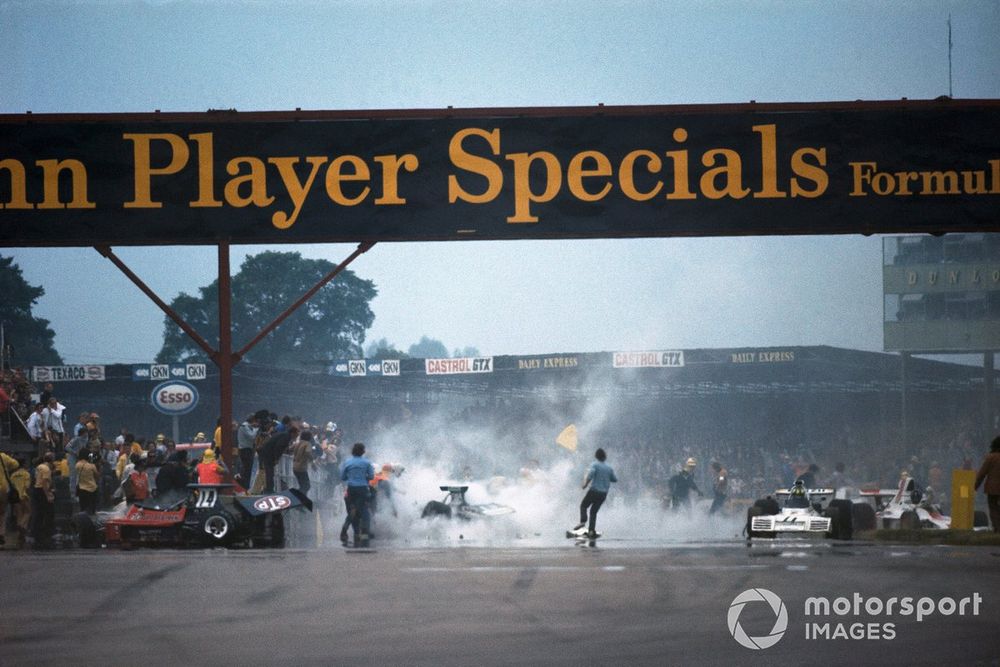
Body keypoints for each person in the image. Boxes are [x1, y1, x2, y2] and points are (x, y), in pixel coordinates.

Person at [574, 448, 617, 538]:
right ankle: (591, 531)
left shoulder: (595, 465)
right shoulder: (609, 468)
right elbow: (614, 479)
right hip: (603, 494)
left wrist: (585, 484)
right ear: (605, 457)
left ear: (596, 456)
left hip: (594, 491)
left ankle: (583, 521)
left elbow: (591, 474)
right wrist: (606, 477)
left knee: (584, 505)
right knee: (593, 512)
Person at [340, 442, 374, 547]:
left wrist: (351, 477)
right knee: (363, 510)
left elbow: (343, 477)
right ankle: (364, 532)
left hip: (351, 489)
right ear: (363, 451)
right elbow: (371, 476)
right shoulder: (367, 463)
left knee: (352, 509)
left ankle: (353, 531)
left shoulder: (347, 462)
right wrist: (364, 478)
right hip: (363, 489)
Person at [258, 426, 299, 493]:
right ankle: (269, 489)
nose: (297, 435)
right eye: (297, 433)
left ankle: (269, 488)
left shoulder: (285, 435)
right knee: (269, 472)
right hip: (268, 453)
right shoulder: (286, 437)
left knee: (270, 472)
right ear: (293, 433)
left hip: (268, 452)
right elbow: (278, 447)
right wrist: (276, 458)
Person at [974, 435, 1000, 533]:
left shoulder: (991, 457)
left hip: (992, 488)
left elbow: (982, 473)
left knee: (993, 508)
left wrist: (975, 486)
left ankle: (997, 528)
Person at [31, 452, 56, 549]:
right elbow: (45, 482)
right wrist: (48, 495)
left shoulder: (39, 466)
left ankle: (37, 534)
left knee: (39, 514)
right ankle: (47, 534)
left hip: (37, 490)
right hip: (43, 491)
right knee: (49, 513)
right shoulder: (46, 469)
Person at [236, 414, 259, 487]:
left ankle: (245, 485)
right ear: (253, 420)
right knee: (246, 469)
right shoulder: (244, 426)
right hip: (245, 450)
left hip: (247, 450)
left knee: (248, 469)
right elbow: (252, 436)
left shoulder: (247, 426)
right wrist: (256, 429)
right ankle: (243, 485)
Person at [291, 430, 316, 496]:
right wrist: (312, 461)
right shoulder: (308, 444)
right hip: (301, 468)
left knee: (302, 486)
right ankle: (298, 497)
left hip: (295, 467)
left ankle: (299, 498)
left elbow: (290, 449)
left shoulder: (298, 443)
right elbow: (308, 452)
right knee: (306, 486)